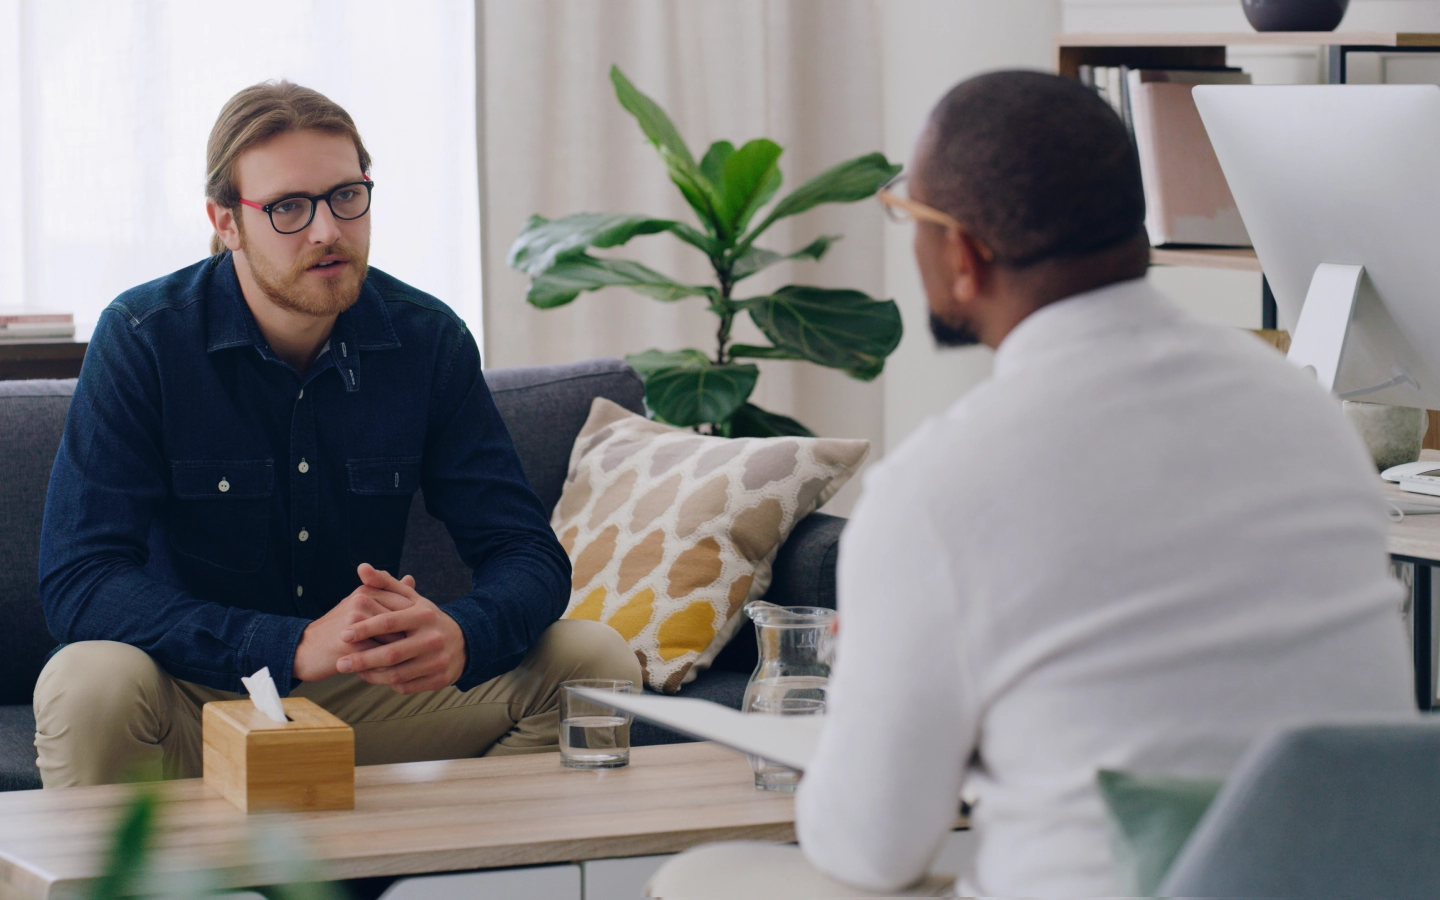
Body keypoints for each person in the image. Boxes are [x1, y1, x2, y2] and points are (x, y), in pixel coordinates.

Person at [647, 70, 1414, 897]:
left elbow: (872, 848)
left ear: (964, 254)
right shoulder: (1306, 414)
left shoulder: (937, 490)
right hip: (1351, 877)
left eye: (909, 217)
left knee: (704, 879)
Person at [33, 80, 639, 788]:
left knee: (596, 661)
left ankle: (433, 872)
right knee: (88, 680)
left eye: (346, 196)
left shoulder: (426, 340)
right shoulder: (145, 339)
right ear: (226, 222)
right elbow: (80, 580)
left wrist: (465, 632)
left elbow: (524, 551)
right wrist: (291, 644)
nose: (327, 230)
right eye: (288, 207)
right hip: (193, 696)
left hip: (367, 696)